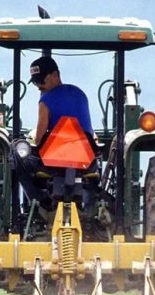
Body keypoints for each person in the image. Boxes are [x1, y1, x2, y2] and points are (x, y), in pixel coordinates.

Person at [12, 56, 94, 203]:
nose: (39, 86)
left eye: (41, 81)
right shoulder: (81, 94)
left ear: (55, 75)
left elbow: (38, 140)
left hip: (54, 163)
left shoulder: (45, 101)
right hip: (86, 161)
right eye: (36, 82)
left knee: (16, 152)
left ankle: (37, 201)